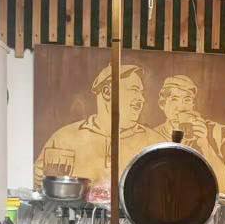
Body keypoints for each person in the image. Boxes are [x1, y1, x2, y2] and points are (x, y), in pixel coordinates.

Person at [35, 62, 165, 185]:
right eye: (134, 90)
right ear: (107, 92)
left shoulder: (155, 143)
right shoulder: (64, 138)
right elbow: (39, 185)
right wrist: (39, 178)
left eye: (141, 92)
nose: (141, 99)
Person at [153, 75, 225, 190]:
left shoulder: (214, 132)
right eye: (174, 99)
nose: (181, 107)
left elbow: (223, 185)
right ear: (162, 104)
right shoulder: (152, 135)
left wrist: (204, 144)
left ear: (193, 105)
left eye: (187, 100)